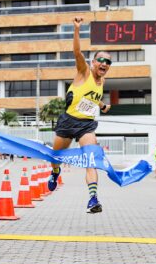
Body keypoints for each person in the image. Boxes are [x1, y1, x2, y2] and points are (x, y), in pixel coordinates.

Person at [47, 16, 112, 214]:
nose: (105, 64)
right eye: (101, 60)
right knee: (56, 155)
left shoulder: (102, 82)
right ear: (93, 62)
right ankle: (55, 171)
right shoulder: (84, 71)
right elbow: (77, 52)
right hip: (68, 121)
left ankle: (93, 198)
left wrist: (102, 105)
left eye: (108, 62)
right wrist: (76, 29)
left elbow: (90, 98)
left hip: (86, 126)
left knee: (91, 159)